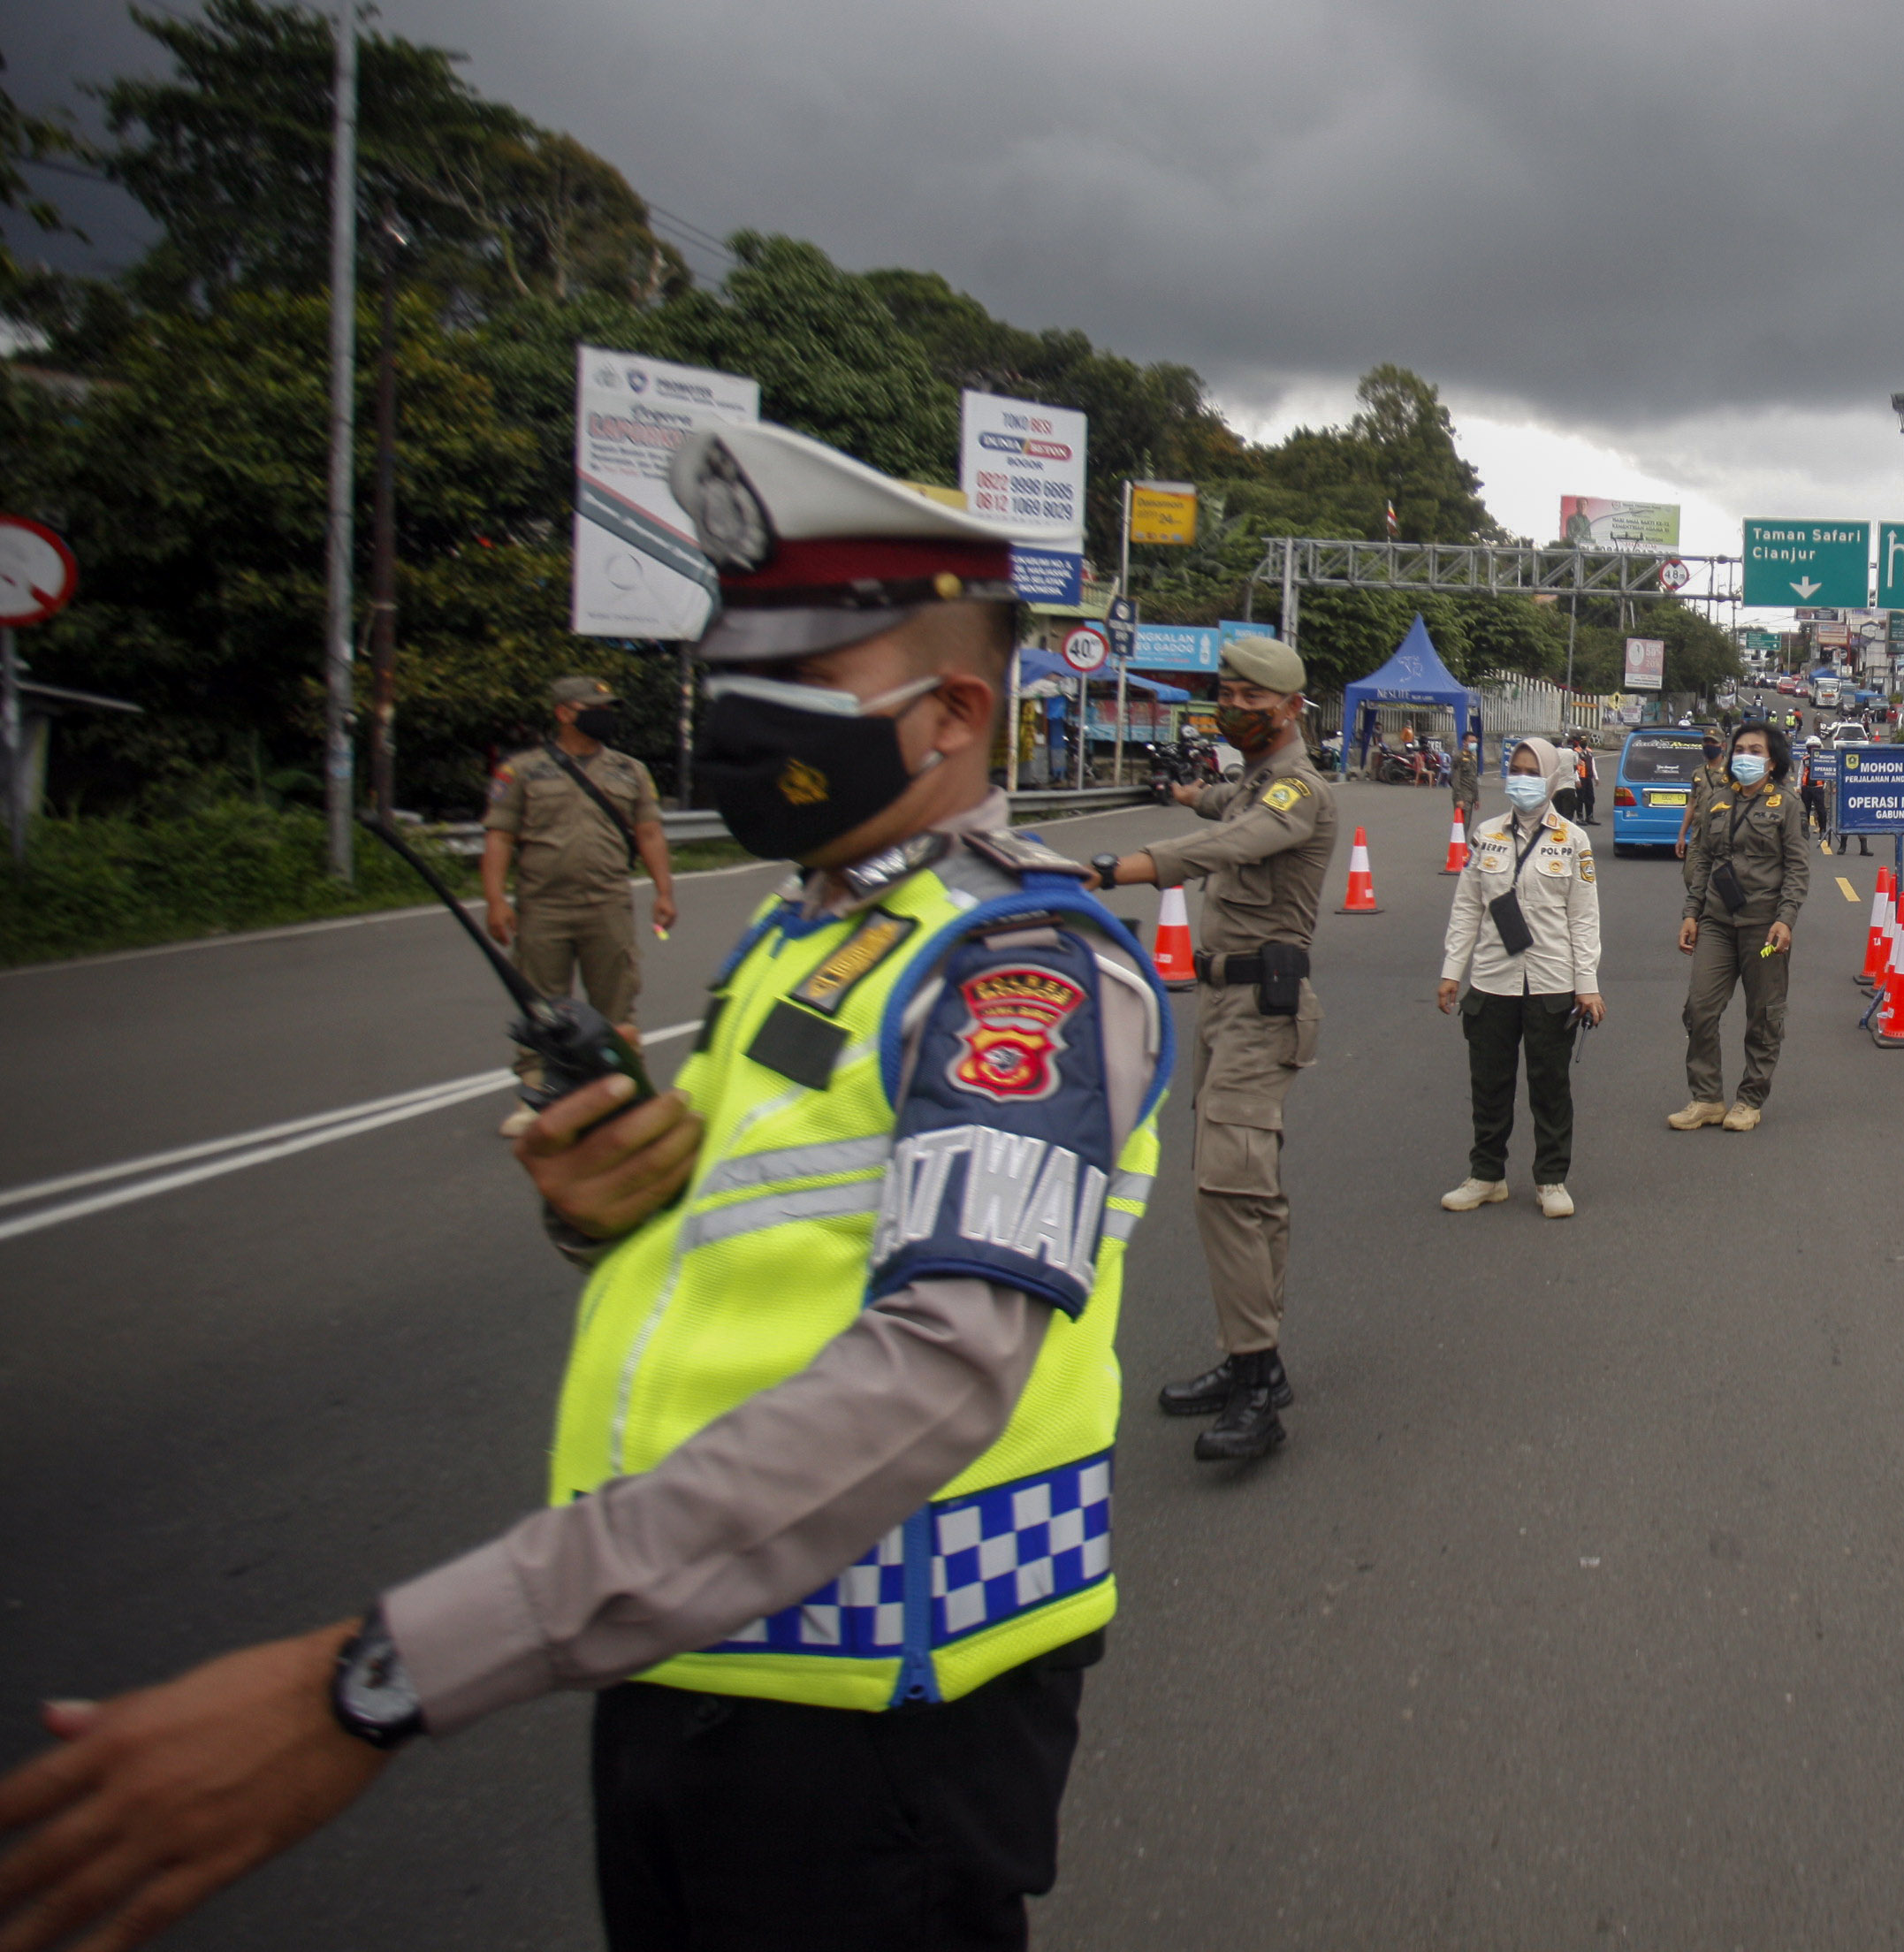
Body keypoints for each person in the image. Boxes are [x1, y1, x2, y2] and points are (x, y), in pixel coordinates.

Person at [0, 421, 1166, 1950]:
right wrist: (603, 1208)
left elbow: (940, 1363)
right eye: (722, 671)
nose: (727, 716)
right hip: (685, 1664)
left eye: (786, 684)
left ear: (950, 713)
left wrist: (385, 1674)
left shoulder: (1020, 966)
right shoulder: (803, 936)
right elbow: (753, 1258)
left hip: (881, 1714)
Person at [1090, 633, 1334, 1461]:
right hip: (1224, 1006)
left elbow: (1233, 842)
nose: (1232, 708)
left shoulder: (1297, 788)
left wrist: (1118, 867)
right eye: (1224, 694)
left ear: (1291, 708)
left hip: (1263, 1009)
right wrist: (1188, 792)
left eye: (1249, 700)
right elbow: (1223, 809)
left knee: (1231, 1186)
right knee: (1235, 1191)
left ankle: (1259, 1386)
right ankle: (1248, 1359)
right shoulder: (1257, 784)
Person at [480, 674, 676, 1136]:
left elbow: (649, 833)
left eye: (607, 708)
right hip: (542, 906)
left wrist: (664, 891)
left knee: (617, 1003)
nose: (603, 716)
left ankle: (626, 1090)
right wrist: (495, 901)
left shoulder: (630, 771)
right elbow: (500, 837)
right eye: (593, 708)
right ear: (564, 712)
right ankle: (538, 1093)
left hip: (608, 902)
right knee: (542, 1008)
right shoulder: (523, 771)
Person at [1435, 738, 1604, 1216]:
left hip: (1552, 981)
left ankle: (1551, 1179)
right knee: (1489, 1083)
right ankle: (1486, 1175)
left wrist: (1587, 984)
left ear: (1551, 779)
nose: (1523, 778)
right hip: (1492, 979)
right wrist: (1452, 971)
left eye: (1533, 771)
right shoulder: (1485, 834)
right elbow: (1468, 908)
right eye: (1516, 768)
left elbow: (1584, 917)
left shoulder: (1573, 840)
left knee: (1550, 1085)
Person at [1671, 719, 1809, 1134]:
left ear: (1772, 761)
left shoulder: (1786, 805)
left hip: (1764, 930)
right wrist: (1691, 913)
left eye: (1755, 751)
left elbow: (1797, 868)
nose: (1744, 757)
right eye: (1740, 750)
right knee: (1699, 1008)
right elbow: (1705, 864)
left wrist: (1786, 920)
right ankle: (1707, 1098)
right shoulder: (1716, 800)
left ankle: (1749, 1099)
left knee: (1764, 1014)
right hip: (1716, 923)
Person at [1448, 728, 1481, 831]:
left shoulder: (1473, 757)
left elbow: (1474, 779)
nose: (1474, 744)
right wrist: (1459, 798)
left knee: (1466, 825)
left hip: (1470, 796)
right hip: (1462, 795)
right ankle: (1460, 846)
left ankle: (1463, 846)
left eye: (1475, 742)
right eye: (1471, 742)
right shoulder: (1458, 757)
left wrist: (1476, 798)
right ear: (1464, 742)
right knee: (1461, 826)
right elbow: (1455, 779)